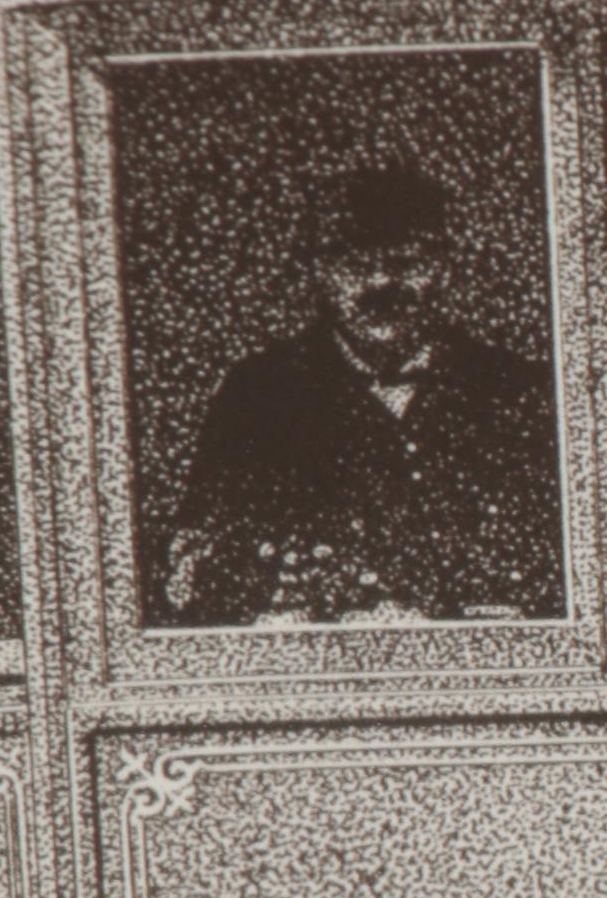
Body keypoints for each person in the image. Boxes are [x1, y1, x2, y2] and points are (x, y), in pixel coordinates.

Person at [158, 163, 563, 626]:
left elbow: (568, 561)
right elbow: (197, 568)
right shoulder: (259, 395)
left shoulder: (517, 390)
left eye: (405, 264)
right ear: (319, 272)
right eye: (356, 266)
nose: (380, 286)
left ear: (444, 268)